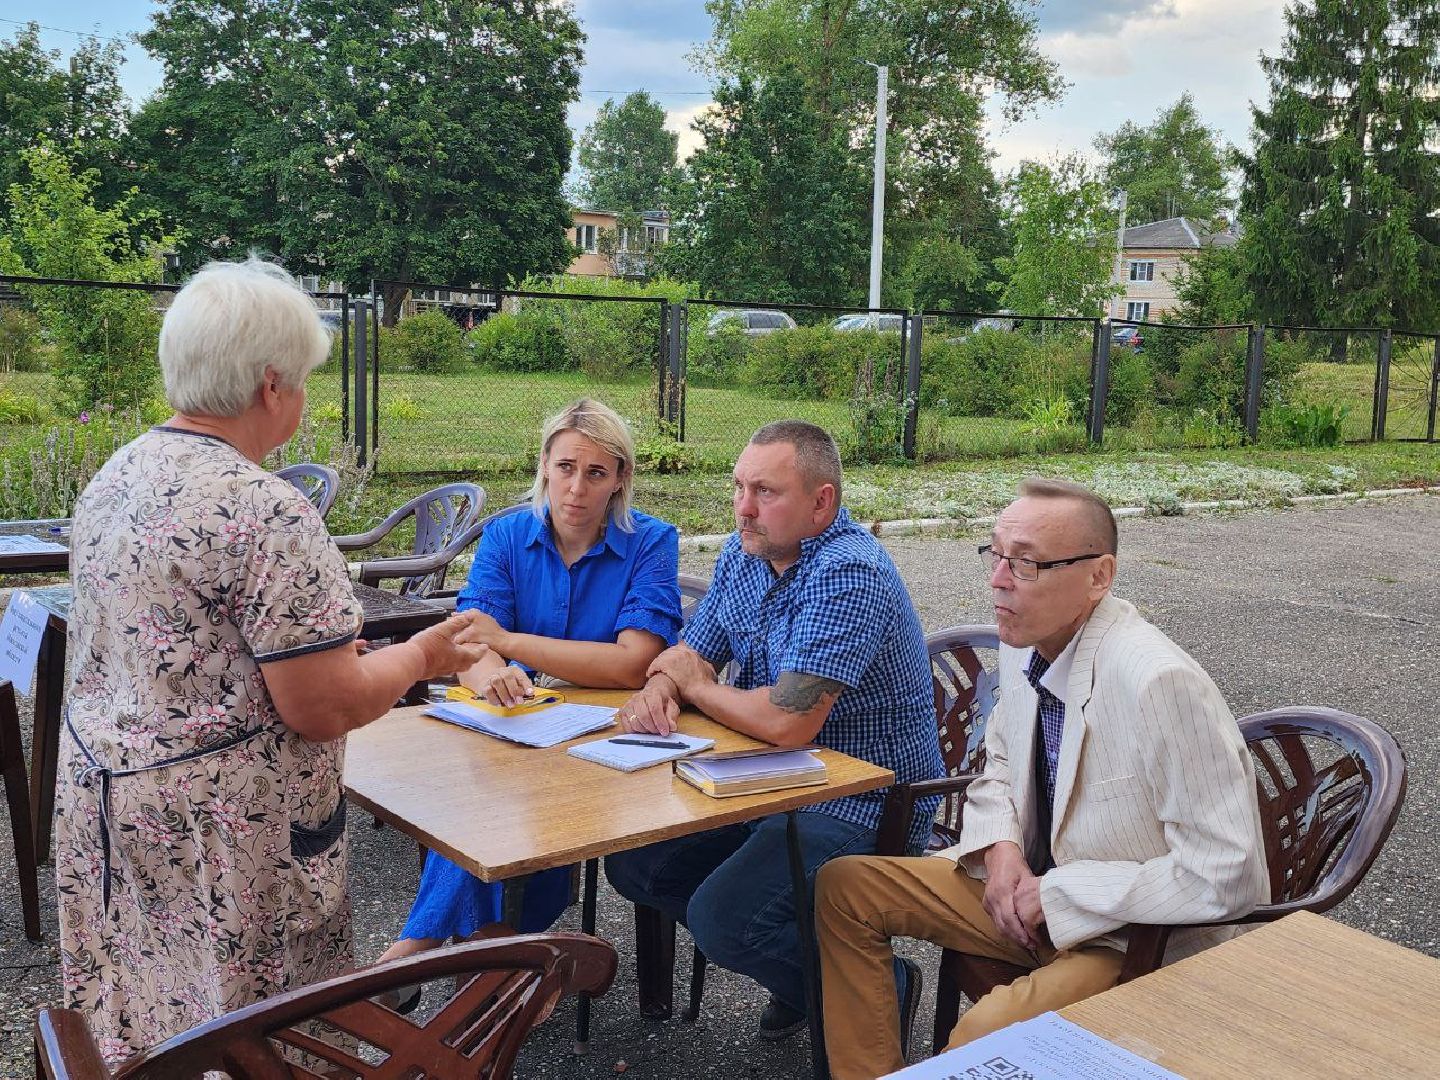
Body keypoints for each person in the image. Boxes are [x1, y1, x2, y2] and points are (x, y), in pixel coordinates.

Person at [55, 258, 490, 1067]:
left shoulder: (117, 475)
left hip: (114, 810)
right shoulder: (265, 509)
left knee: (154, 1017)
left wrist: (317, 660)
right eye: (302, 382)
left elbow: (178, 647)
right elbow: (322, 708)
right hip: (224, 835)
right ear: (270, 388)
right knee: (257, 1035)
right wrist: (419, 655)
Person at [815, 478, 1269, 1079]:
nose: (999, 580)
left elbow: (1227, 872)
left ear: (1099, 576)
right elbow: (998, 762)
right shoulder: (1027, 640)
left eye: (1027, 562)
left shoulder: (1159, 682)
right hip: (1026, 895)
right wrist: (1002, 853)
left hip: (1134, 937)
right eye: (996, 555)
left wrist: (1055, 894)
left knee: (981, 1037)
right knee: (847, 888)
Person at [605, 420, 944, 1040]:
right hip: (768, 782)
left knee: (726, 920)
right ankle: (803, 973)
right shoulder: (747, 552)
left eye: (765, 491)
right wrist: (660, 685)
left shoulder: (850, 572)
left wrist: (696, 686)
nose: (744, 508)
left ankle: (881, 985)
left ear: (823, 502)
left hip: (863, 800)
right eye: (739, 487)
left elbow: (788, 721)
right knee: (639, 866)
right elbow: (695, 651)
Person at [377, 399, 682, 972]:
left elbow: (631, 663)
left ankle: (423, 955)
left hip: (611, 742)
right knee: (477, 794)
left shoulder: (650, 541)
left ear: (620, 479)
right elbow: (470, 641)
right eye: (566, 467)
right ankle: (491, 947)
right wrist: (492, 676)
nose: (576, 488)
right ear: (544, 465)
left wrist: (511, 644)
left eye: (596, 473)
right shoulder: (508, 536)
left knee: (501, 800)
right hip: (527, 728)